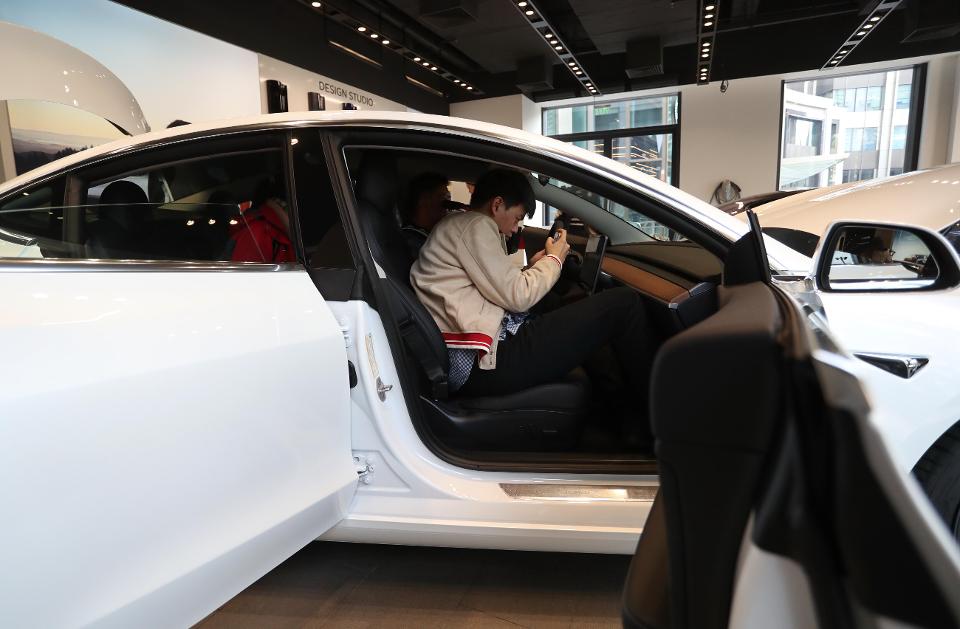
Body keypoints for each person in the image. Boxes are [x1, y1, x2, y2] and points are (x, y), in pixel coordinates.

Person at [410, 169, 659, 433]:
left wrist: (532, 269)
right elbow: (518, 296)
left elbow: (494, 285)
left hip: (477, 354)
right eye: (517, 217)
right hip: (483, 362)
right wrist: (554, 259)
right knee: (623, 304)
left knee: (573, 313)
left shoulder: (457, 226)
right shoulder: (475, 225)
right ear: (497, 205)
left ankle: (620, 415)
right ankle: (659, 419)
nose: (516, 228)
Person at [401, 172, 452, 259]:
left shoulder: (429, 235)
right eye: (444, 198)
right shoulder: (413, 242)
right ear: (424, 200)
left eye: (449, 198)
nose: (449, 205)